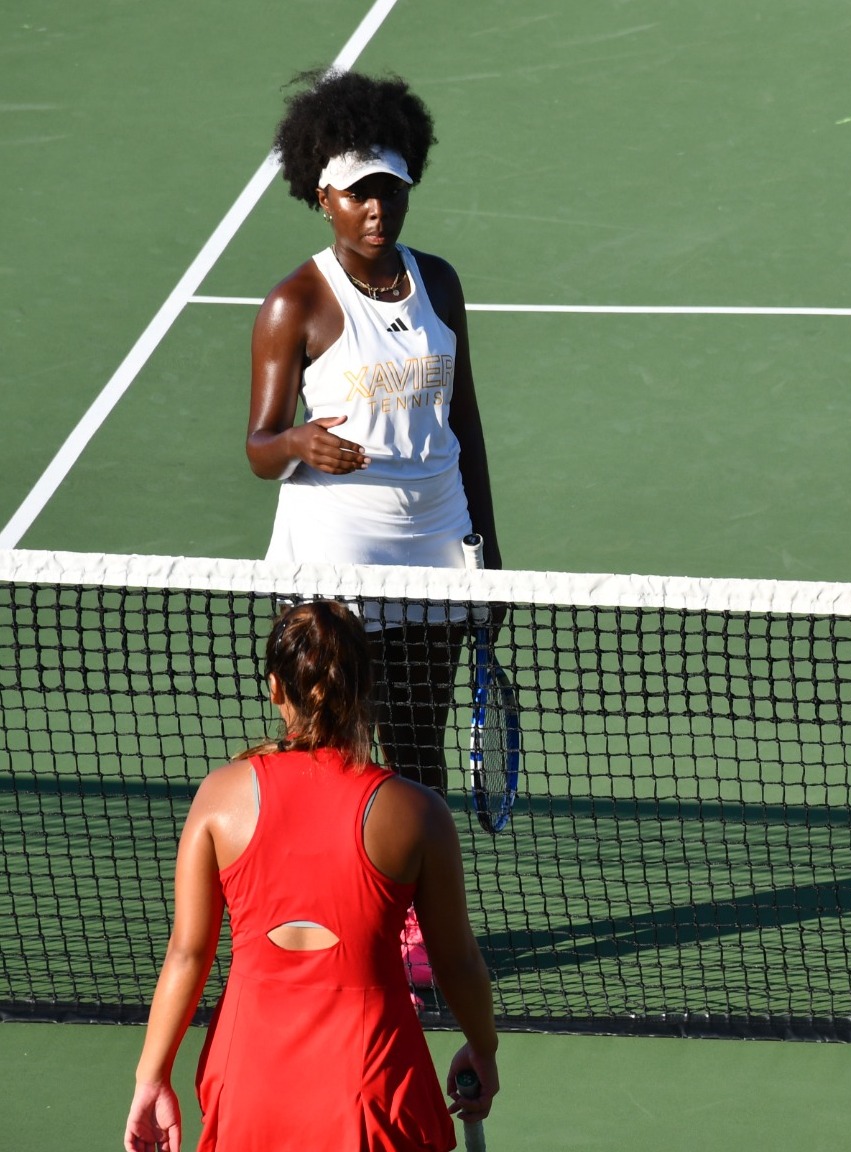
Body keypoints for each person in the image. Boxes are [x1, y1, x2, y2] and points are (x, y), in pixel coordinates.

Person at [123, 600, 499, 1152]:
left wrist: (150, 1078)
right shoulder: (418, 813)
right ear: (368, 686)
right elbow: (458, 960)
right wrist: (482, 1048)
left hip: (248, 1083)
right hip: (374, 1088)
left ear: (276, 688)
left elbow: (186, 953)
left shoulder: (218, 799)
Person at [246, 68, 501, 795]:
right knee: (332, 746)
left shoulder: (439, 284)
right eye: (359, 192)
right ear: (322, 197)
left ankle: (418, 908)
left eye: (390, 188)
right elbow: (260, 447)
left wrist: (488, 546)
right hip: (338, 556)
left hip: (436, 543)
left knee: (419, 746)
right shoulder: (294, 304)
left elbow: (464, 419)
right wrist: (297, 443)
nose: (377, 208)